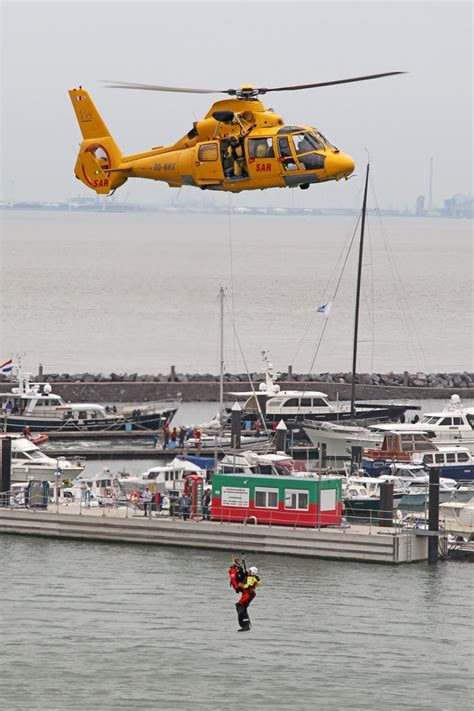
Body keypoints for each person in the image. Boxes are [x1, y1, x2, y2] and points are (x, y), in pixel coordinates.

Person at [229, 562, 261, 631]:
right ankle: (247, 623)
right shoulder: (253, 578)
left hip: (248, 594)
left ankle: (245, 625)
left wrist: (240, 585)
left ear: (252, 573)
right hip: (249, 594)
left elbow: (247, 586)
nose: (248, 572)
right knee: (243, 607)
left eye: (250, 571)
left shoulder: (250, 578)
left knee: (240, 607)